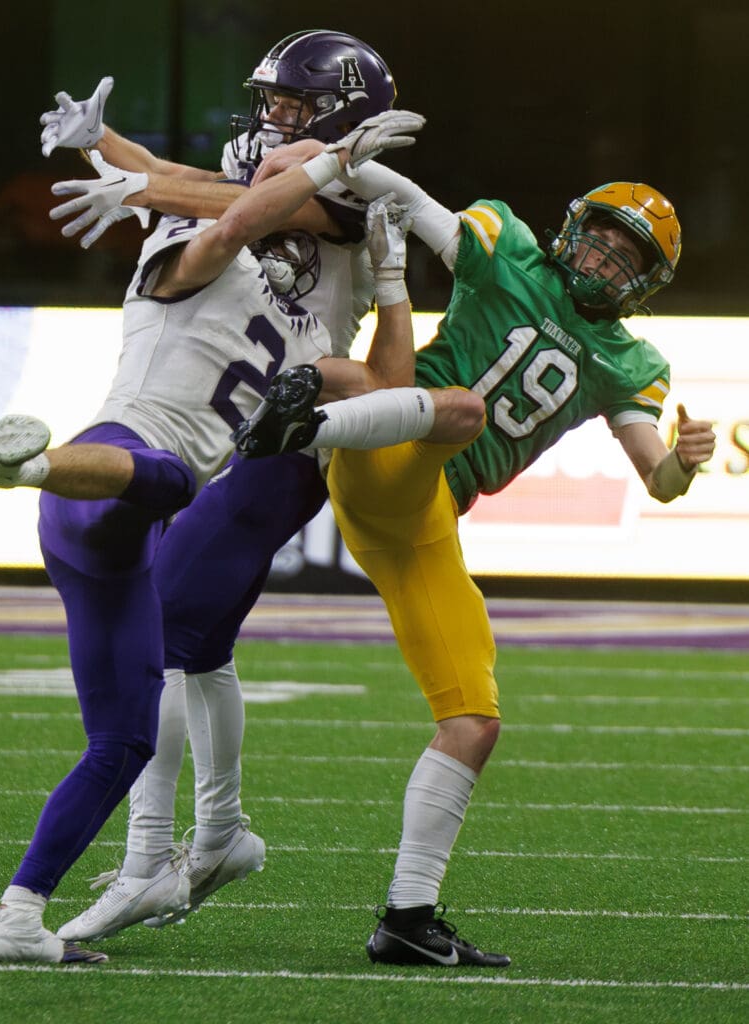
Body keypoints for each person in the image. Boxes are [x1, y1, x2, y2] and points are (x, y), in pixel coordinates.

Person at [0, 110, 458, 964]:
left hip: (119, 525)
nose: (285, 250)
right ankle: (23, 468)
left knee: (125, 739)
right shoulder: (188, 261)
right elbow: (233, 216)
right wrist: (327, 159)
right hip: (109, 472)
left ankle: (15, 920)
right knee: (177, 484)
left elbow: (384, 387)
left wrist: (394, 274)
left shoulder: (299, 336)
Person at [233, 176, 717, 967]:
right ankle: (302, 423)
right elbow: (416, 208)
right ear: (571, 227)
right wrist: (351, 157)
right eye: (599, 234)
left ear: (646, 282)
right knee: (455, 407)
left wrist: (687, 466)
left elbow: (656, 480)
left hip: (426, 518)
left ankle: (406, 919)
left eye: (624, 253)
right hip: (384, 454)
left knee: (473, 720)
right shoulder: (508, 249)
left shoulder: (627, 360)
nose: (601, 255)